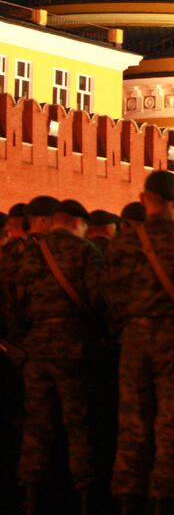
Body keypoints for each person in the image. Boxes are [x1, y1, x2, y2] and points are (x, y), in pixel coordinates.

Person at [104, 170, 174, 513]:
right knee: (173, 422)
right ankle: (166, 498)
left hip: (133, 338)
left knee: (132, 421)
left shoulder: (122, 242)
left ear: (144, 198)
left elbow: (110, 296)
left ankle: (128, 497)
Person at [13, 196, 104, 514]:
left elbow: (17, 302)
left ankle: (31, 495)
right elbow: (98, 299)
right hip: (73, 349)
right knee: (78, 424)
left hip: (36, 349)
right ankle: (84, 495)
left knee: (37, 425)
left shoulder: (30, 253)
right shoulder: (86, 251)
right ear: (79, 223)